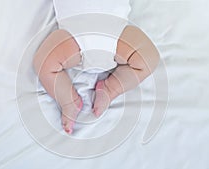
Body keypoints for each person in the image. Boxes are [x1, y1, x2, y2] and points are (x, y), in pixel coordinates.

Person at [33, 0, 160, 134]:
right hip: (74, 34)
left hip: (117, 33)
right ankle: (68, 100)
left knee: (148, 58)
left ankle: (111, 89)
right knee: (43, 62)